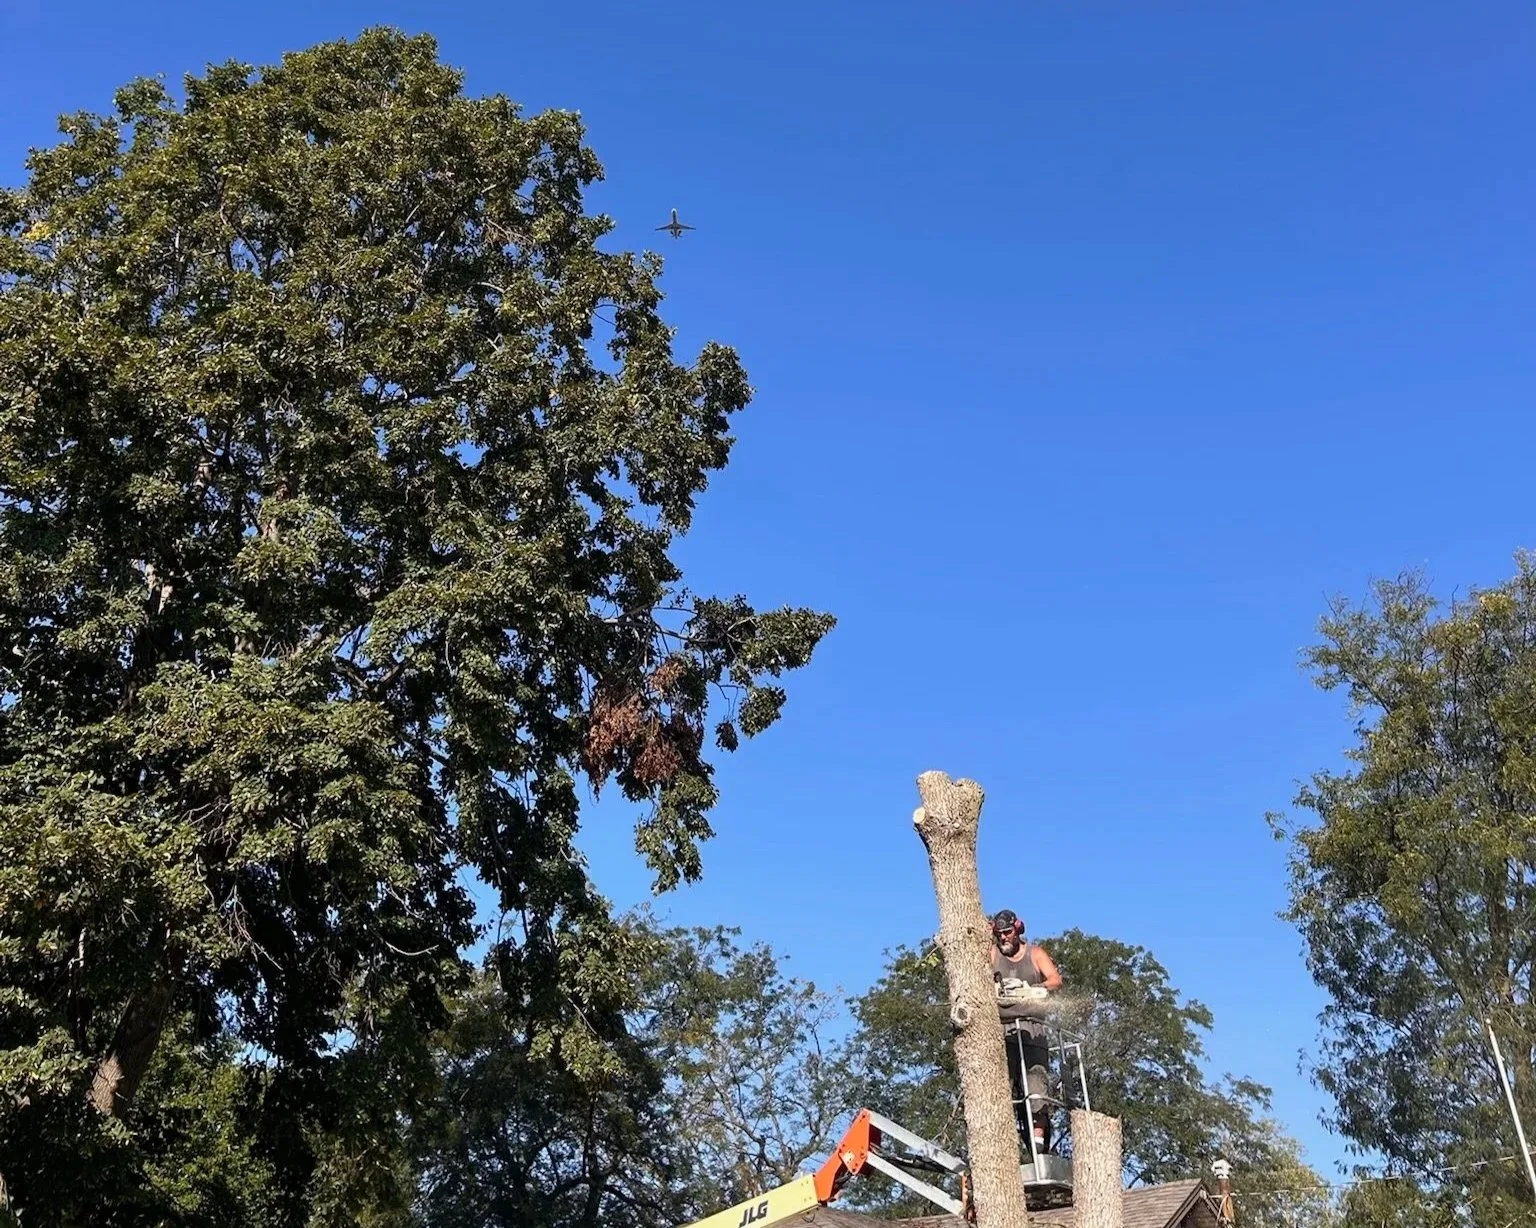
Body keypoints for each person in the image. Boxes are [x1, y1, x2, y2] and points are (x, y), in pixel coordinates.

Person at [989, 908, 1062, 1155]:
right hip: (1003, 1031)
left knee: (1037, 1089)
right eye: (999, 934)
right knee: (1000, 1091)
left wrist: (1033, 988)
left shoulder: (1035, 953)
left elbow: (1055, 980)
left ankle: (1039, 1148)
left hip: (1033, 1031)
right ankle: (1002, 1149)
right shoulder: (992, 955)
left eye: (1008, 933)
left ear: (1017, 930)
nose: (1004, 938)